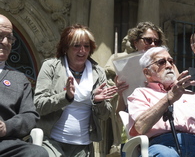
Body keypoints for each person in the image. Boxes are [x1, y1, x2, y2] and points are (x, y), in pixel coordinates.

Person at [34, 24, 117, 157]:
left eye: (86, 46)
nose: (82, 50)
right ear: (66, 48)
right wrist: (65, 97)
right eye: (76, 45)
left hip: (83, 147)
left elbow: (104, 115)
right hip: (51, 142)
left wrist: (98, 102)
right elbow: (38, 105)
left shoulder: (98, 72)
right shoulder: (50, 67)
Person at [104, 21, 169, 155]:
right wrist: (120, 92)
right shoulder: (124, 66)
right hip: (133, 130)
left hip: (161, 128)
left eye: (156, 42)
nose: (152, 44)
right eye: (148, 40)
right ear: (135, 42)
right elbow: (119, 112)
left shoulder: (167, 65)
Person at [0, 14, 48, 157]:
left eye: (9, 38)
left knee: (37, 153)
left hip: (5, 144)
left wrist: (6, 127)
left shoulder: (20, 79)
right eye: (0, 36)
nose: (5, 42)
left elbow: (30, 116)